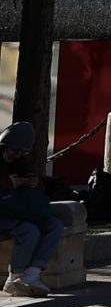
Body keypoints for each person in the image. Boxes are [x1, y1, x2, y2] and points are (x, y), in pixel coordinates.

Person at [3, 125, 64, 297]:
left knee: (55, 225)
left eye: (22, 152)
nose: (17, 155)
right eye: (15, 151)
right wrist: (10, 183)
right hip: (5, 215)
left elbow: (39, 187)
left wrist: (34, 183)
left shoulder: (22, 161)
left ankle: (32, 274)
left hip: (19, 211)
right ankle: (14, 278)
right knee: (29, 231)